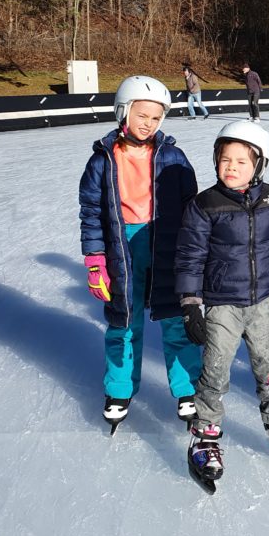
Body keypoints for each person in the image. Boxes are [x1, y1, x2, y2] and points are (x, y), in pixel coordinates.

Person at [176, 122, 269, 485]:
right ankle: (205, 435)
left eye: (241, 161)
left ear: (259, 165)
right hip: (222, 305)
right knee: (215, 372)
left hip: (264, 301)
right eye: (224, 159)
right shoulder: (204, 205)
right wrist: (190, 303)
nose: (231, 167)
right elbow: (190, 256)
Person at [78, 75, 202, 434]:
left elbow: (190, 206)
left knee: (175, 319)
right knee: (123, 321)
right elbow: (91, 213)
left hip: (166, 244)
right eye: (141, 114)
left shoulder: (173, 157)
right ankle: (119, 389)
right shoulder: (102, 160)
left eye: (155, 117)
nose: (148, 123)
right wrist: (95, 260)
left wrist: (194, 252)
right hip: (121, 247)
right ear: (123, 112)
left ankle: (187, 387)